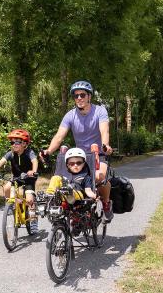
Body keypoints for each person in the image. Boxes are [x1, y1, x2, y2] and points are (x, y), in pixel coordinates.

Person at [42, 80, 114, 221]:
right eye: (76, 96)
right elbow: (59, 136)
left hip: (98, 153)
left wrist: (105, 146)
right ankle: (75, 213)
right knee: (66, 182)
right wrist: (48, 151)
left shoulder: (100, 111)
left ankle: (106, 204)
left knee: (99, 177)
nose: (79, 98)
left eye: (82, 95)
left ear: (89, 96)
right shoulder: (70, 115)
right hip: (79, 156)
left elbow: (104, 130)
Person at [0, 129, 39, 231]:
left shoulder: (29, 152)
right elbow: (0, 162)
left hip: (29, 178)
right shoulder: (10, 153)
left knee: (29, 199)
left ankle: (33, 219)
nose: (14, 145)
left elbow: (35, 161)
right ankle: (11, 206)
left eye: (17, 142)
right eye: (12, 142)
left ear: (24, 144)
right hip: (17, 178)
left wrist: (33, 171)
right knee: (6, 188)